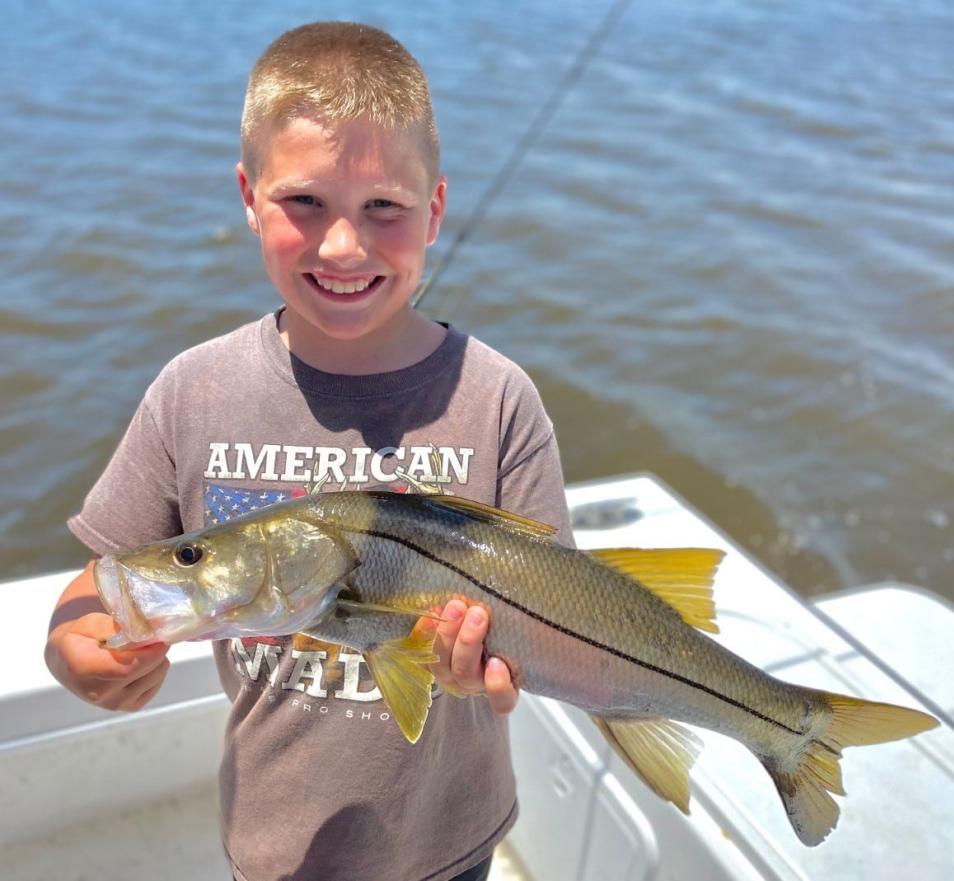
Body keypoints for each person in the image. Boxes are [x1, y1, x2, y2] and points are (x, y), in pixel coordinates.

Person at [45, 21, 573, 881]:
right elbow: (106, 577)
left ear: (434, 210)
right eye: (304, 202)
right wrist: (78, 645)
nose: (342, 246)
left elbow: (554, 608)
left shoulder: (497, 396)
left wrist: (501, 669)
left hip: (453, 839)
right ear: (249, 196)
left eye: (384, 209)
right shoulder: (193, 389)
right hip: (275, 844)